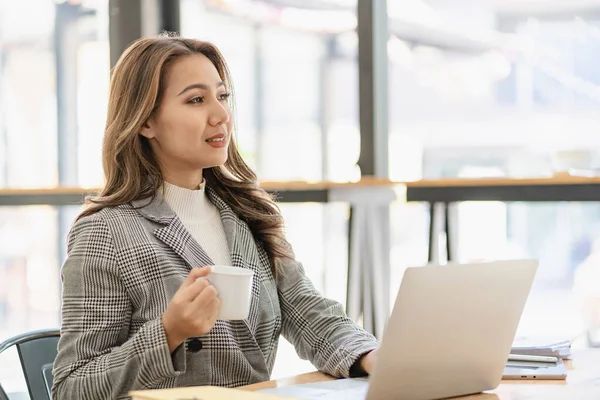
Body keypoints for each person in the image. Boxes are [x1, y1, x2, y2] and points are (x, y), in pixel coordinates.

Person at [51, 34, 379, 399]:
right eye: (196, 100)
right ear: (146, 122)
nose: (221, 115)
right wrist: (168, 332)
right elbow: (72, 387)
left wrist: (373, 356)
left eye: (222, 96)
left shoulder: (247, 215)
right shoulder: (106, 232)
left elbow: (310, 314)